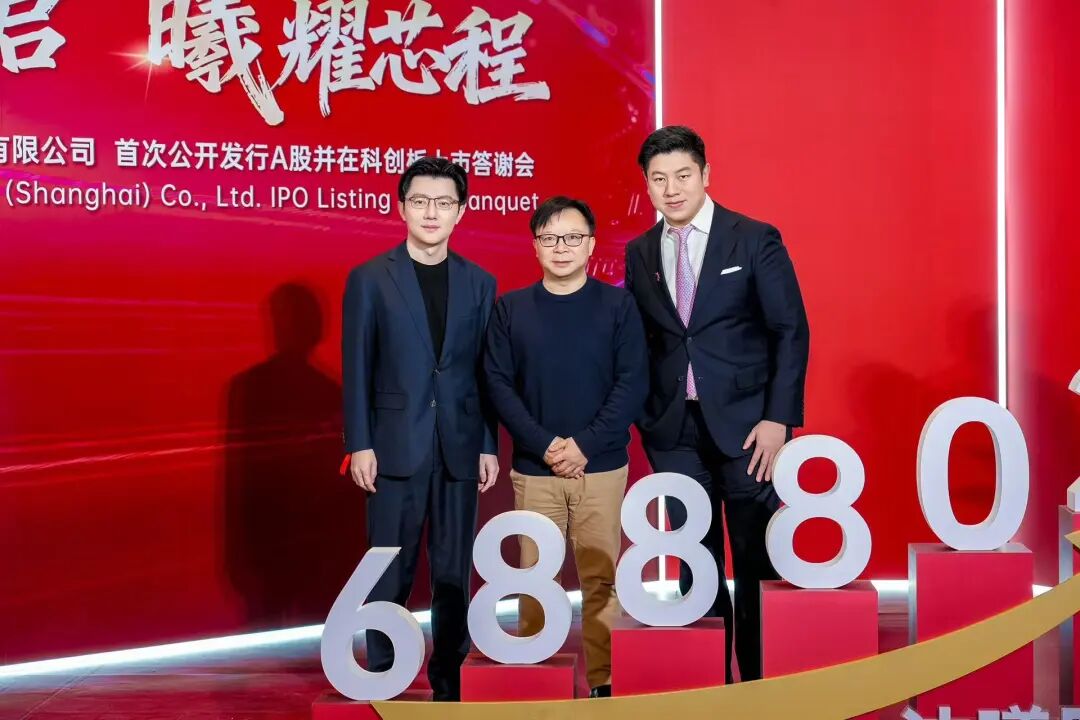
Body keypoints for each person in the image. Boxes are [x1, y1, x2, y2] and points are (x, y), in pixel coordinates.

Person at [624, 126, 809, 682]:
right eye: (659, 179)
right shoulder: (639, 251)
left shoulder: (752, 238)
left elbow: (790, 330)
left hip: (750, 428)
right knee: (693, 562)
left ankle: (761, 682)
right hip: (673, 430)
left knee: (756, 557)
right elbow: (643, 339)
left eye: (683, 175)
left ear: (705, 174)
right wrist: (644, 415)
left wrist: (779, 418)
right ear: (647, 186)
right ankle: (710, 684)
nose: (672, 189)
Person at [341, 156, 498, 701]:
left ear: (461, 211)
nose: (432, 213)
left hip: (459, 445)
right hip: (392, 446)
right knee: (389, 567)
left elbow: (484, 371)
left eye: (444, 203)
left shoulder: (480, 282)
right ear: (402, 207)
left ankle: (449, 682)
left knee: (453, 570)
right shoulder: (369, 278)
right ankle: (383, 676)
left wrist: (486, 443)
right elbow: (357, 367)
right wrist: (360, 443)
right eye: (421, 201)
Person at [484, 196, 647, 698]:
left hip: (601, 468)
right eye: (550, 238)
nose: (561, 247)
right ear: (535, 246)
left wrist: (584, 446)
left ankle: (604, 682)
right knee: (534, 579)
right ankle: (540, 681)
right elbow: (498, 385)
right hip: (536, 470)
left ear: (591, 245)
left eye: (573, 237)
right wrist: (547, 444)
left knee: (602, 579)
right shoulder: (511, 309)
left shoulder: (618, 307)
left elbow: (632, 383)